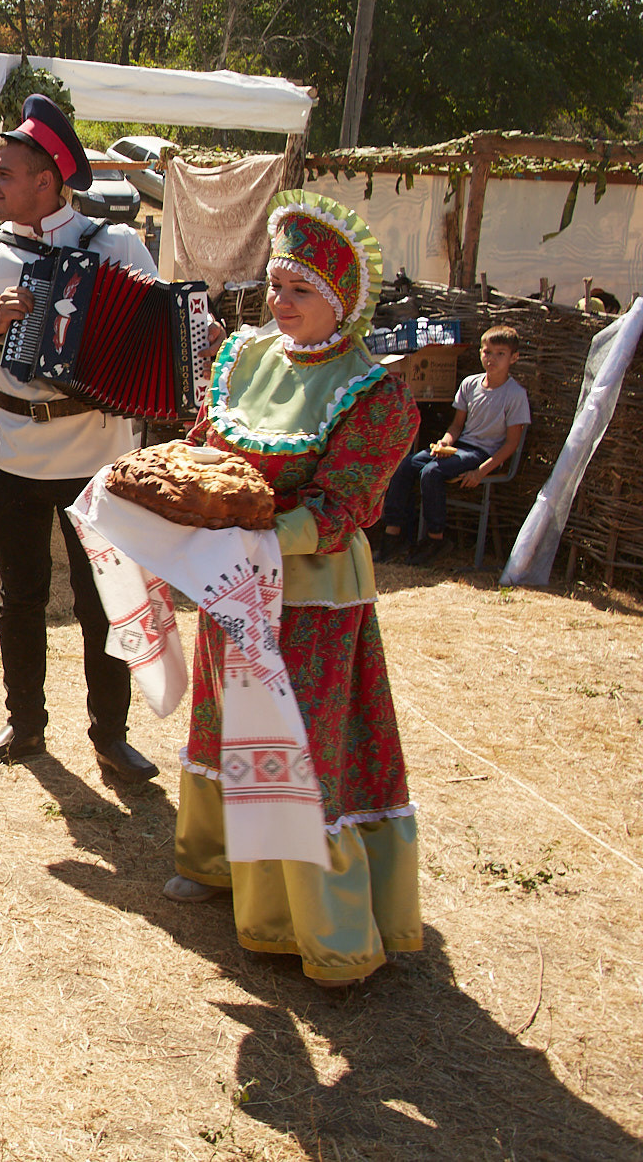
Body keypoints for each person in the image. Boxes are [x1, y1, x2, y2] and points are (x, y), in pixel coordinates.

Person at [164, 191, 421, 989]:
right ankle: (213, 861)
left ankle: (321, 925)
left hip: (311, 594)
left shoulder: (372, 391)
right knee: (223, 715)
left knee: (299, 743)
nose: (280, 304)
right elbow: (208, 444)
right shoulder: (245, 356)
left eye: (300, 291)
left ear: (340, 300)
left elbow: (347, 505)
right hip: (233, 580)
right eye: (276, 286)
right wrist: (174, 486)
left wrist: (268, 535)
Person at [0, 93, 161, 782]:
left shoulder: (117, 246)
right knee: (20, 593)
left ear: (46, 180)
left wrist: (191, 338)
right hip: (12, 449)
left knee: (101, 598)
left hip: (97, 453)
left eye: (3, 174)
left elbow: (159, 331)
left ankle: (110, 735)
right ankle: (24, 724)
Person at [381, 324, 530, 565]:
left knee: (432, 472)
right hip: (460, 447)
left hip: (483, 453)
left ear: (514, 357)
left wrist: (481, 471)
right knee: (407, 464)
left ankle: (436, 539)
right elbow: (456, 427)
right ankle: (393, 535)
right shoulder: (470, 384)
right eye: (487, 352)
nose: (491, 359)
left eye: (500, 354)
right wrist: (445, 442)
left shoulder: (515, 395)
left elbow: (511, 443)